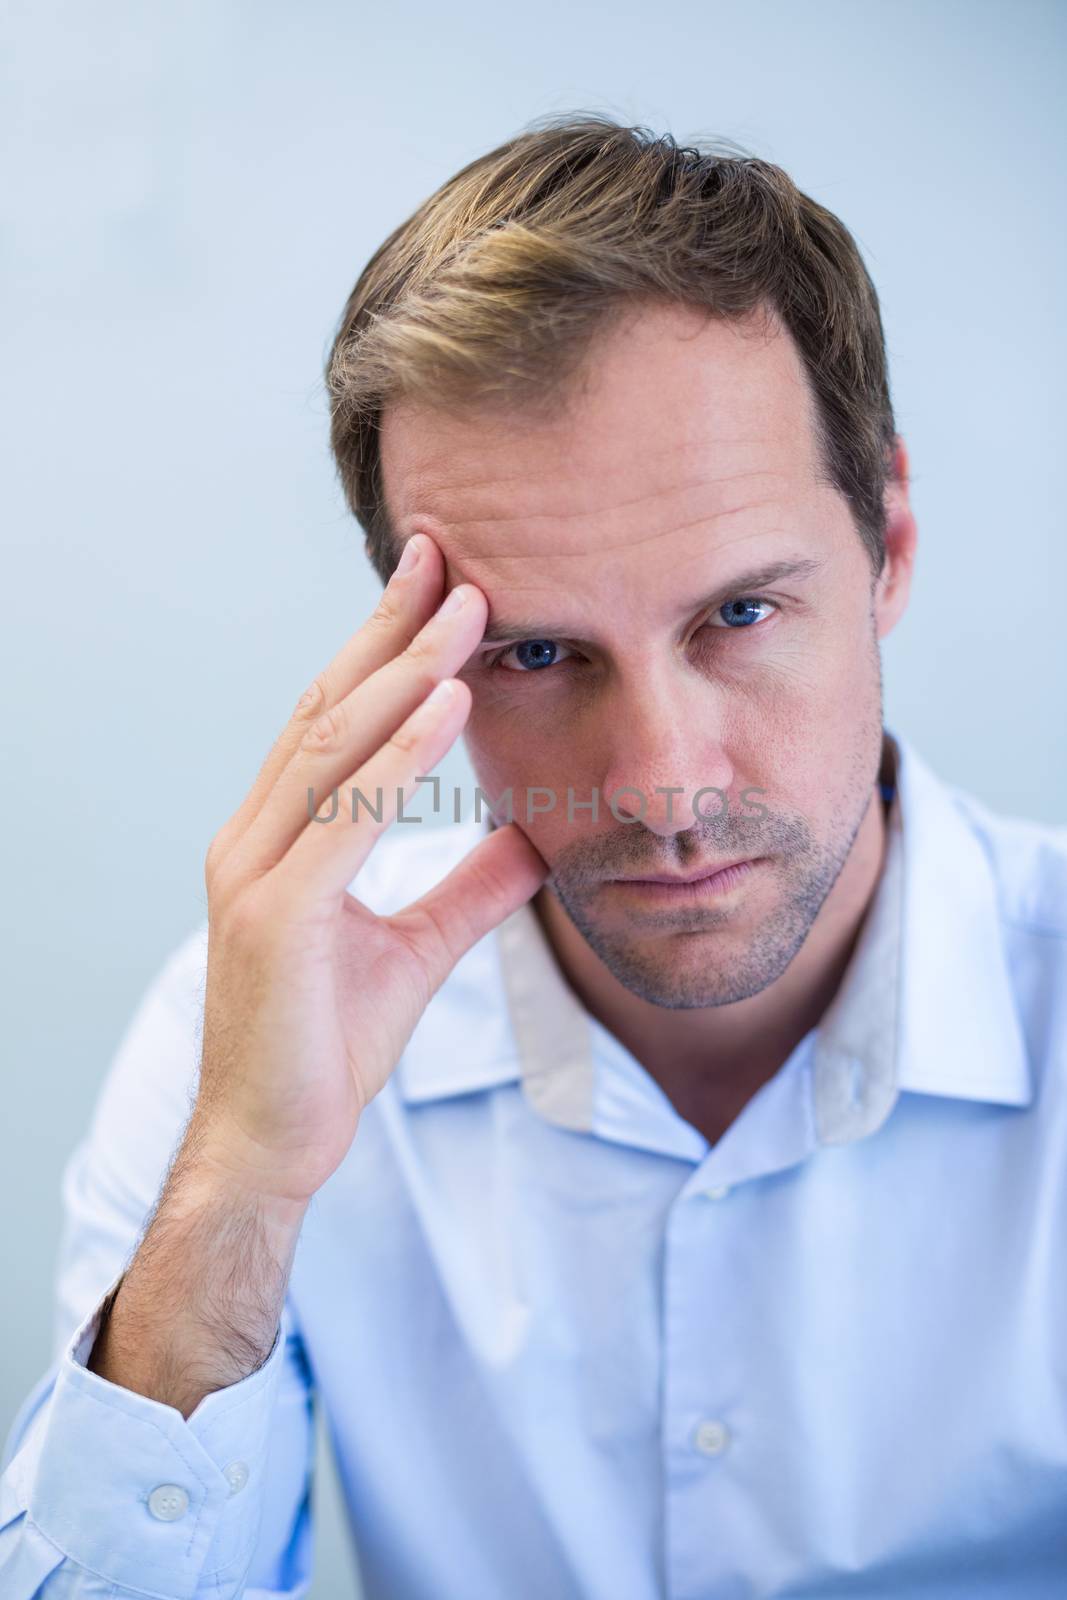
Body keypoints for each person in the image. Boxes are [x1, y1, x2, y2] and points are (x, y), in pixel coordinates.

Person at [2, 112, 1065, 1600]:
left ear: (888, 541)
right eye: (539, 651)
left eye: (740, 615)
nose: (661, 784)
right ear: (406, 658)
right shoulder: (243, 1040)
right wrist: (243, 1179)